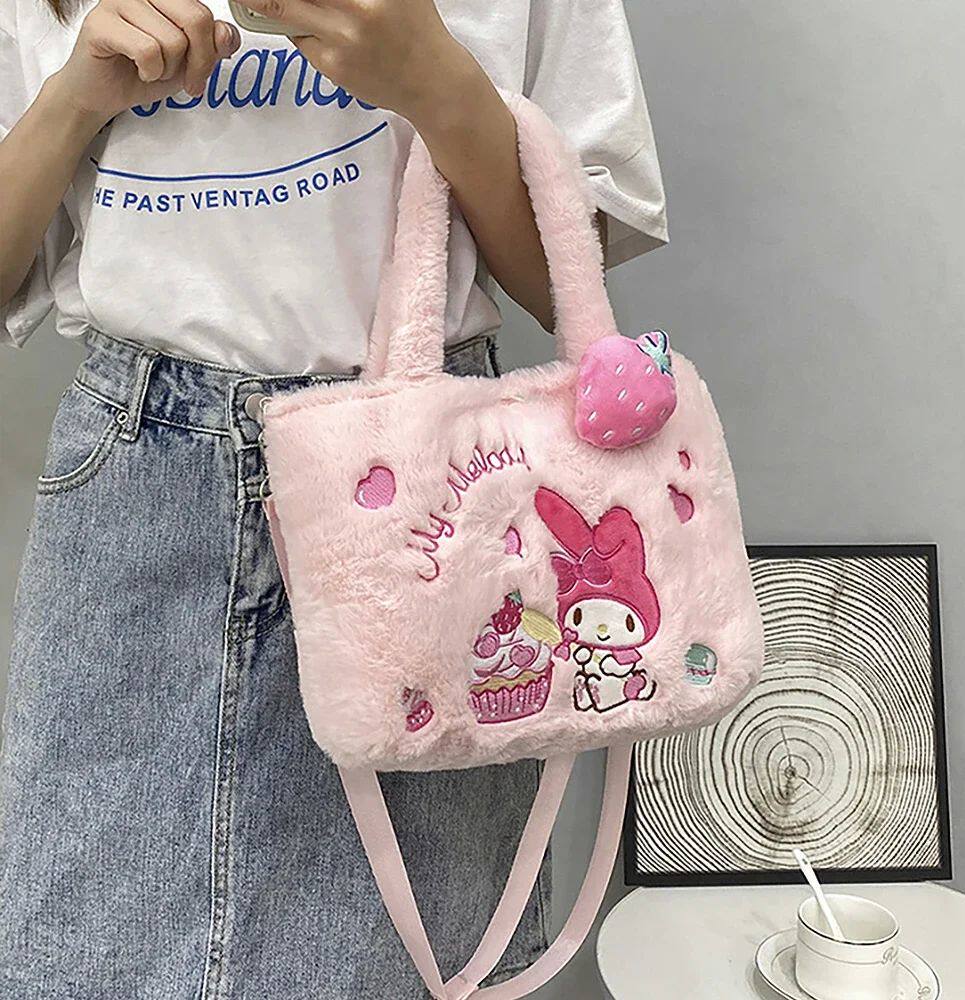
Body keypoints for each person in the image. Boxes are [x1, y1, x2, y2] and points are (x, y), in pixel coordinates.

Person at [0, 0, 667, 995]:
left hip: (427, 491)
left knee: (405, 954)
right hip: (141, 475)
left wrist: (433, 78)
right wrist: (72, 100)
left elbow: (566, 274)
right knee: (83, 948)